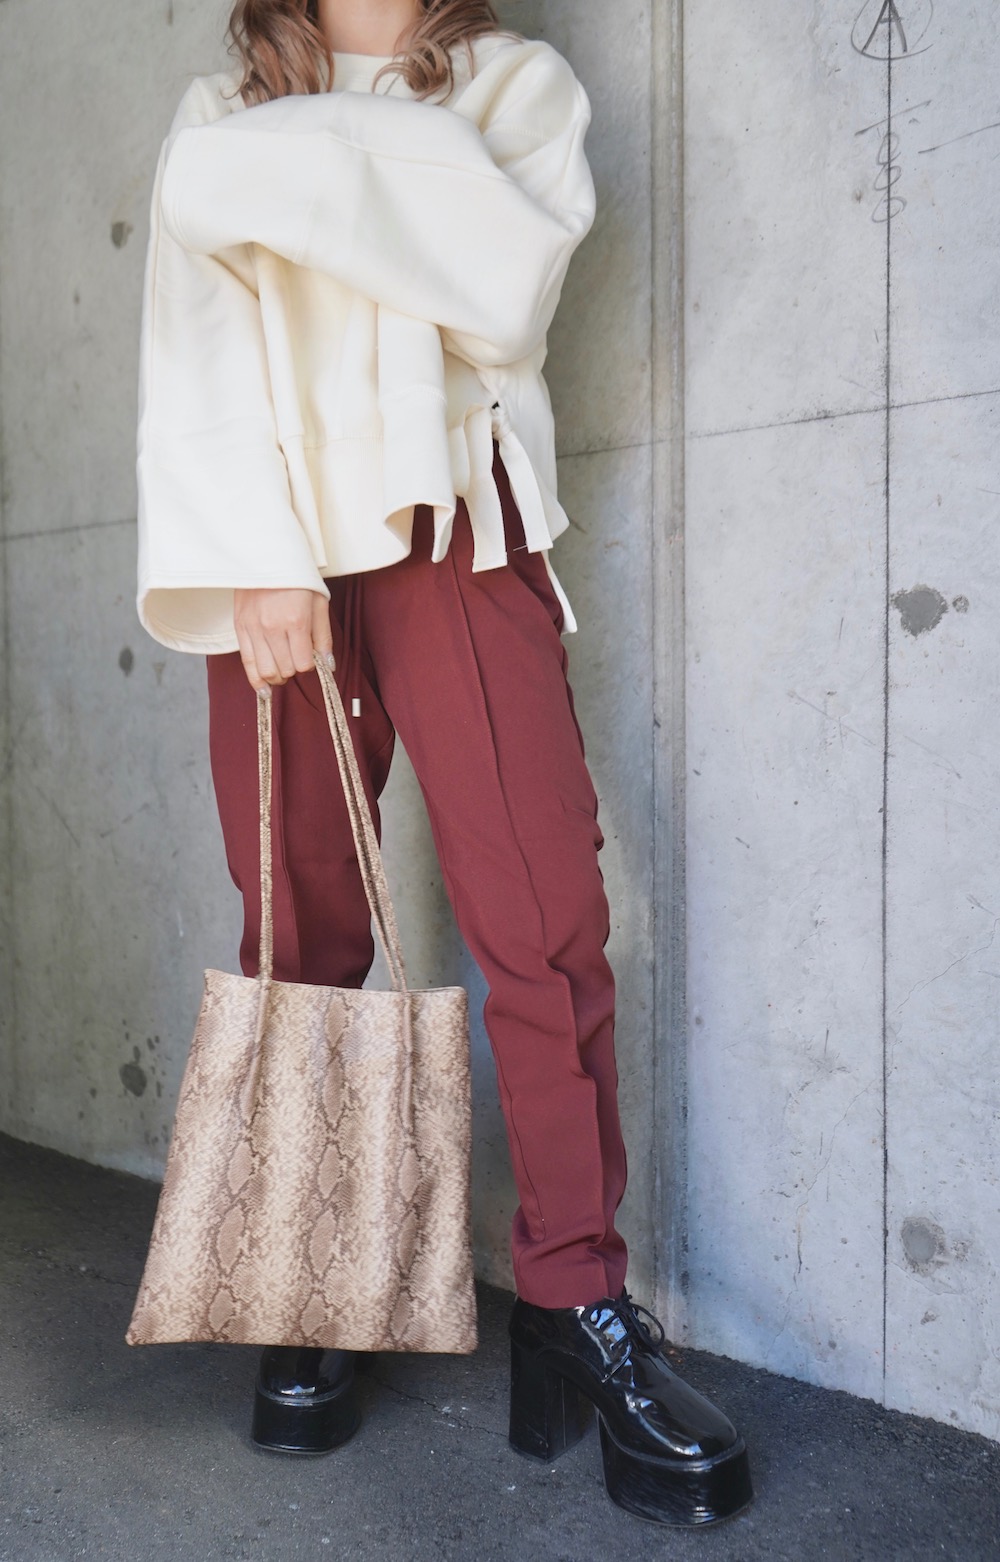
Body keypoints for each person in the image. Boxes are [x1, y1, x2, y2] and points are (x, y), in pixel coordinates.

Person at [135, 0, 752, 1527]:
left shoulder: (515, 84)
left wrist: (284, 168)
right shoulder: (218, 109)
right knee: (298, 931)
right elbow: (198, 343)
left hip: (457, 529)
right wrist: (260, 553)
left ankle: (577, 1302)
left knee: (544, 923)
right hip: (282, 556)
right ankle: (308, 1284)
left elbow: (507, 292)